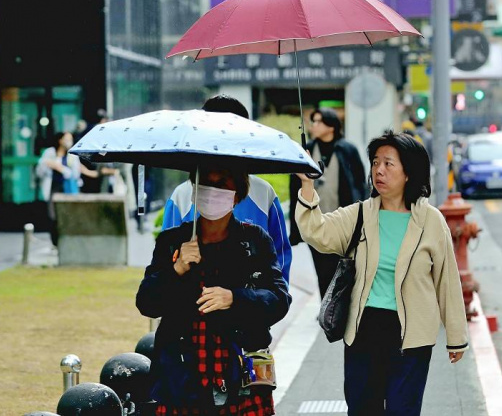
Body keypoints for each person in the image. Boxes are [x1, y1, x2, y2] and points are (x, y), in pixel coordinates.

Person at [294, 131, 469, 416]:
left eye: (388, 163)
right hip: (364, 331)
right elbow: (316, 231)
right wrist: (307, 185)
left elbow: (446, 281)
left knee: (403, 410)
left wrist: (456, 336)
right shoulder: (361, 214)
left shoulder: (431, 221)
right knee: (362, 409)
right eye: (375, 162)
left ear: (409, 173)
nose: (379, 170)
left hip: (411, 336)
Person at [136, 165, 291, 414]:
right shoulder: (173, 241)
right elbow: (146, 302)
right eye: (206, 183)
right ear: (194, 190)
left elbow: (279, 300)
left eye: (222, 184)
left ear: (237, 195)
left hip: (241, 376)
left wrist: (235, 298)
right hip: (183, 377)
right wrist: (177, 269)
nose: (212, 191)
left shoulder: (254, 240)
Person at [163, 95, 293, 283]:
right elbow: (166, 260)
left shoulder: (263, 194)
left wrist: (271, 297)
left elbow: (280, 258)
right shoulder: (182, 196)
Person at [289, 107, 367, 298]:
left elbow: (360, 184)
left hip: (344, 224)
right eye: (313, 121)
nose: (314, 125)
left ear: (331, 126)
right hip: (315, 222)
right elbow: (294, 188)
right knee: (322, 272)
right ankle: (327, 308)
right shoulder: (306, 151)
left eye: (319, 121)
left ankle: (342, 307)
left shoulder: (347, 150)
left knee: (345, 270)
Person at [36, 132, 100, 247]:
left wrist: (61, 168)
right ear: (60, 140)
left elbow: (75, 174)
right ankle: (55, 243)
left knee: (68, 215)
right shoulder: (50, 152)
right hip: (53, 188)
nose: (68, 142)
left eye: (70, 139)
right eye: (66, 139)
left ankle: (67, 242)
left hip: (68, 189)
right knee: (53, 215)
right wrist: (48, 165)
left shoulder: (72, 155)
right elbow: (40, 171)